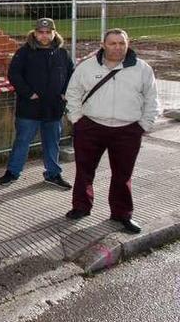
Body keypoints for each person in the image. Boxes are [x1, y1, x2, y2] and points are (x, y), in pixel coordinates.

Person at [64, 29, 159, 234]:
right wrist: (76, 119)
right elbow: (72, 93)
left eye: (121, 43)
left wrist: (144, 125)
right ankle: (81, 207)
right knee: (84, 171)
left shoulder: (142, 69)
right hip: (91, 126)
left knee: (123, 175)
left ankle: (122, 214)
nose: (117, 47)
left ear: (128, 44)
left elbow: (152, 100)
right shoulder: (87, 67)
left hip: (127, 130)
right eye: (112, 43)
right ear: (103, 44)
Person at [0, 18, 74, 189]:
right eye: (41, 32)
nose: (44, 36)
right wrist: (28, 93)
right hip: (29, 108)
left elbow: (71, 74)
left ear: (54, 33)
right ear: (35, 33)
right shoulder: (24, 52)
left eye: (48, 32)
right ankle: (12, 172)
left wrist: (64, 92)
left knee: (52, 142)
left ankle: (53, 174)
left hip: (54, 108)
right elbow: (14, 74)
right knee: (22, 141)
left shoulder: (62, 53)